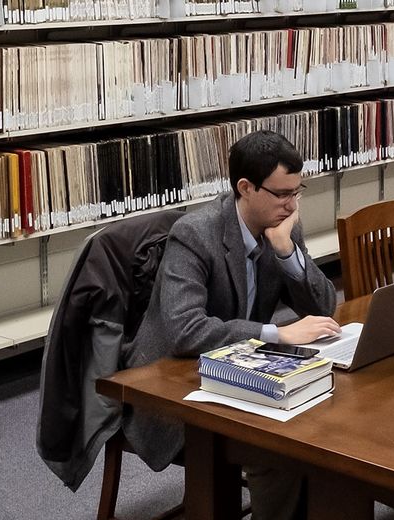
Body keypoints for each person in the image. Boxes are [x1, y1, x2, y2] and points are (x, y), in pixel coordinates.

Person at [129, 129, 340, 520]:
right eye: (282, 194)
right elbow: (185, 330)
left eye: (298, 191)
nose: (292, 204)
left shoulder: (283, 225)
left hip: (238, 370)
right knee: (278, 450)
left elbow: (325, 306)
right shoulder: (195, 234)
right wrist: (275, 333)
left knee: (325, 422)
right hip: (175, 386)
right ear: (245, 187)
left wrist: (287, 251)